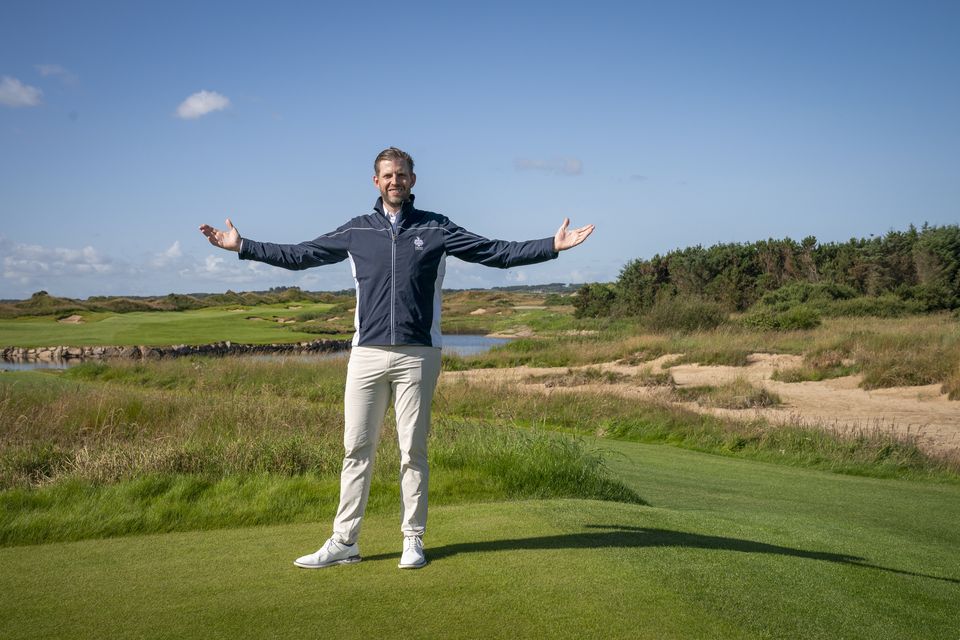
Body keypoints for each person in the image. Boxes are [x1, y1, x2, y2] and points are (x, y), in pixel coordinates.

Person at [199, 147, 594, 569]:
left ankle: (412, 541)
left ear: (413, 180)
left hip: (418, 354)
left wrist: (551, 245)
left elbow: (493, 252)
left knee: (412, 451)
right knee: (356, 449)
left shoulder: (436, 228)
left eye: (402, 175)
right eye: (387, 175)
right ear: (376, 181)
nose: (395, 182)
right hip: (366, 353)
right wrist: (242, 246)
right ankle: (344, 542)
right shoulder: (357, 231)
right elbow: (301, 256)